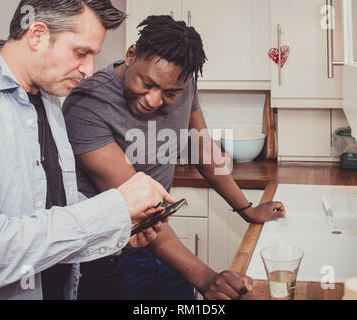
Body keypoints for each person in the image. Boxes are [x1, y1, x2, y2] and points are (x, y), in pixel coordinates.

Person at [0, 0, 173, 301]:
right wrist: (112, 208)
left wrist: (118, 224)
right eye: (81, 53)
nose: (89, 70)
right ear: (37, 35)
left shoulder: (48, 98)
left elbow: (48, 207)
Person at [63, 15, 285, 300]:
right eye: (147, 83)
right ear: (131, 55)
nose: (154, 100)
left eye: (169, 93)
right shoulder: (87, 105)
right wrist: (206, 278)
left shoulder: (182, 83)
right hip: (107, 259)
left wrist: (246, 209)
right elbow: (138, 207)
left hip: (161, 242)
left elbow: (202, 149)